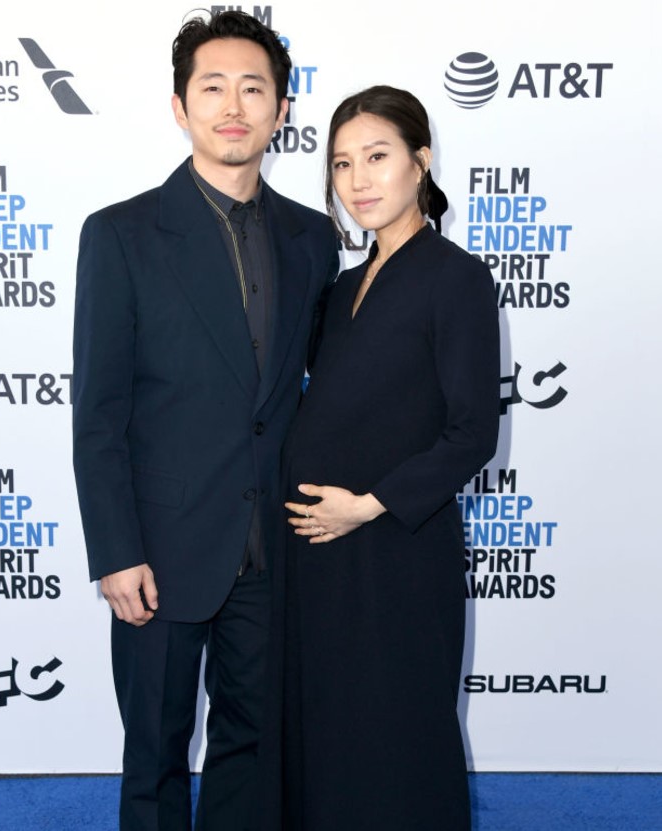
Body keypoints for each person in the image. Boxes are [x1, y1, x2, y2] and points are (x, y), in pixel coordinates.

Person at [71, 11, 338, 831]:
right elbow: (99, 411)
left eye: (253, 89)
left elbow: (318, 393)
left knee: (252, 749)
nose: (234, 105)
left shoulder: (313, 237)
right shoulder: (119, 234)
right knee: (153, 750)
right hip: (159, 552)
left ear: (281, 111)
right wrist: (116, 552)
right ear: (180, 107)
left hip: (271, 549)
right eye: (212, 87)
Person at [262, 86, 500, 830]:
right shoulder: (334, 290)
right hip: (315, 555)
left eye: (376, 157)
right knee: (325, 731)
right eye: (340, 164)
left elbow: (472, 433)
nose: (357, 180)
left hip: (398, 549)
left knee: (398, 727)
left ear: (419, 162)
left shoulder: (456, 277)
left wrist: (366, 506)